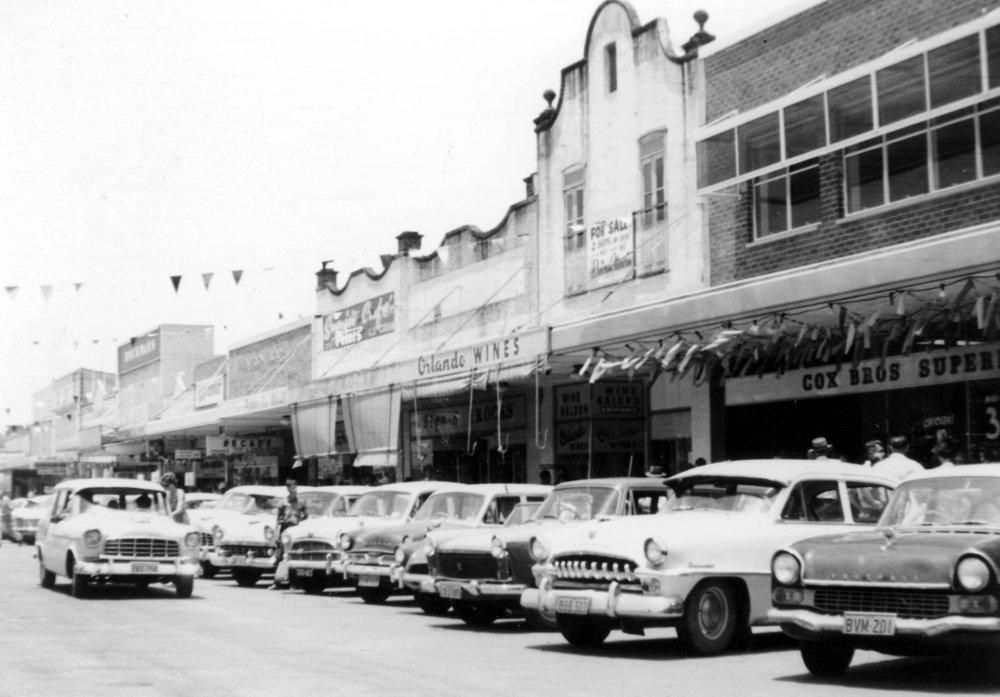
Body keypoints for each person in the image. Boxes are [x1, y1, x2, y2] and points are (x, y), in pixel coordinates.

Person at [270, 478, 308, 590]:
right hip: (285, 531)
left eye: (295, 487)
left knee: (293, 556)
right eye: (292, 488)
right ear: (288, 489)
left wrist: (300, 519)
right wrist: (276, 534)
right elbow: (277, 519)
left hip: (296, 531)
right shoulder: (283, 502)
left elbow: (306, 516)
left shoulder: (301, 502)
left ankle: (293, 583)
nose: (294, 490)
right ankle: (277, 582)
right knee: (280, 556)